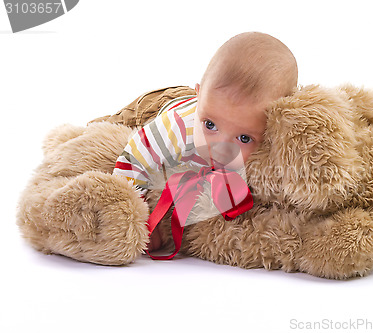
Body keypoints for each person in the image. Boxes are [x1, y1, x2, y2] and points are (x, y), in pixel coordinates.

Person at [112, 31, 298, 250]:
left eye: (244, 138)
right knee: (114, 126)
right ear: (200, 95)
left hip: (204, 105)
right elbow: (133, 160)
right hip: (154, 107)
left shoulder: (271, 147)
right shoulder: (176, 130)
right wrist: (138, 215)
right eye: (210, 126)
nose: (220, 148)